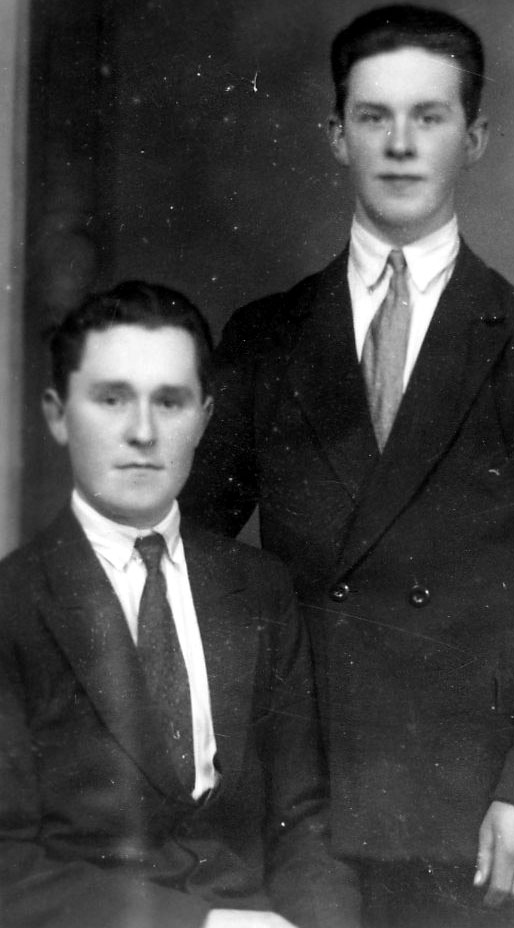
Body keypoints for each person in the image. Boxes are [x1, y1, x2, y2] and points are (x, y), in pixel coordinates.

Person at [180, 6, 514, 927]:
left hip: (466, 806)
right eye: (373, 116)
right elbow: (186, 556)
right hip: (298, 795)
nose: (399, 144)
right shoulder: (267, 336)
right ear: (336, 136)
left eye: (428, 116)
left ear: (475, 138)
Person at [0, 281, 361, 928]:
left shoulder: (259, 588)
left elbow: (303, 822)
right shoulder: (13, 605)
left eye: (170, 402)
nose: (142, 433)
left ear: (204, 417)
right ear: (57, 415)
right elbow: (7, 867)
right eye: (112, 399)